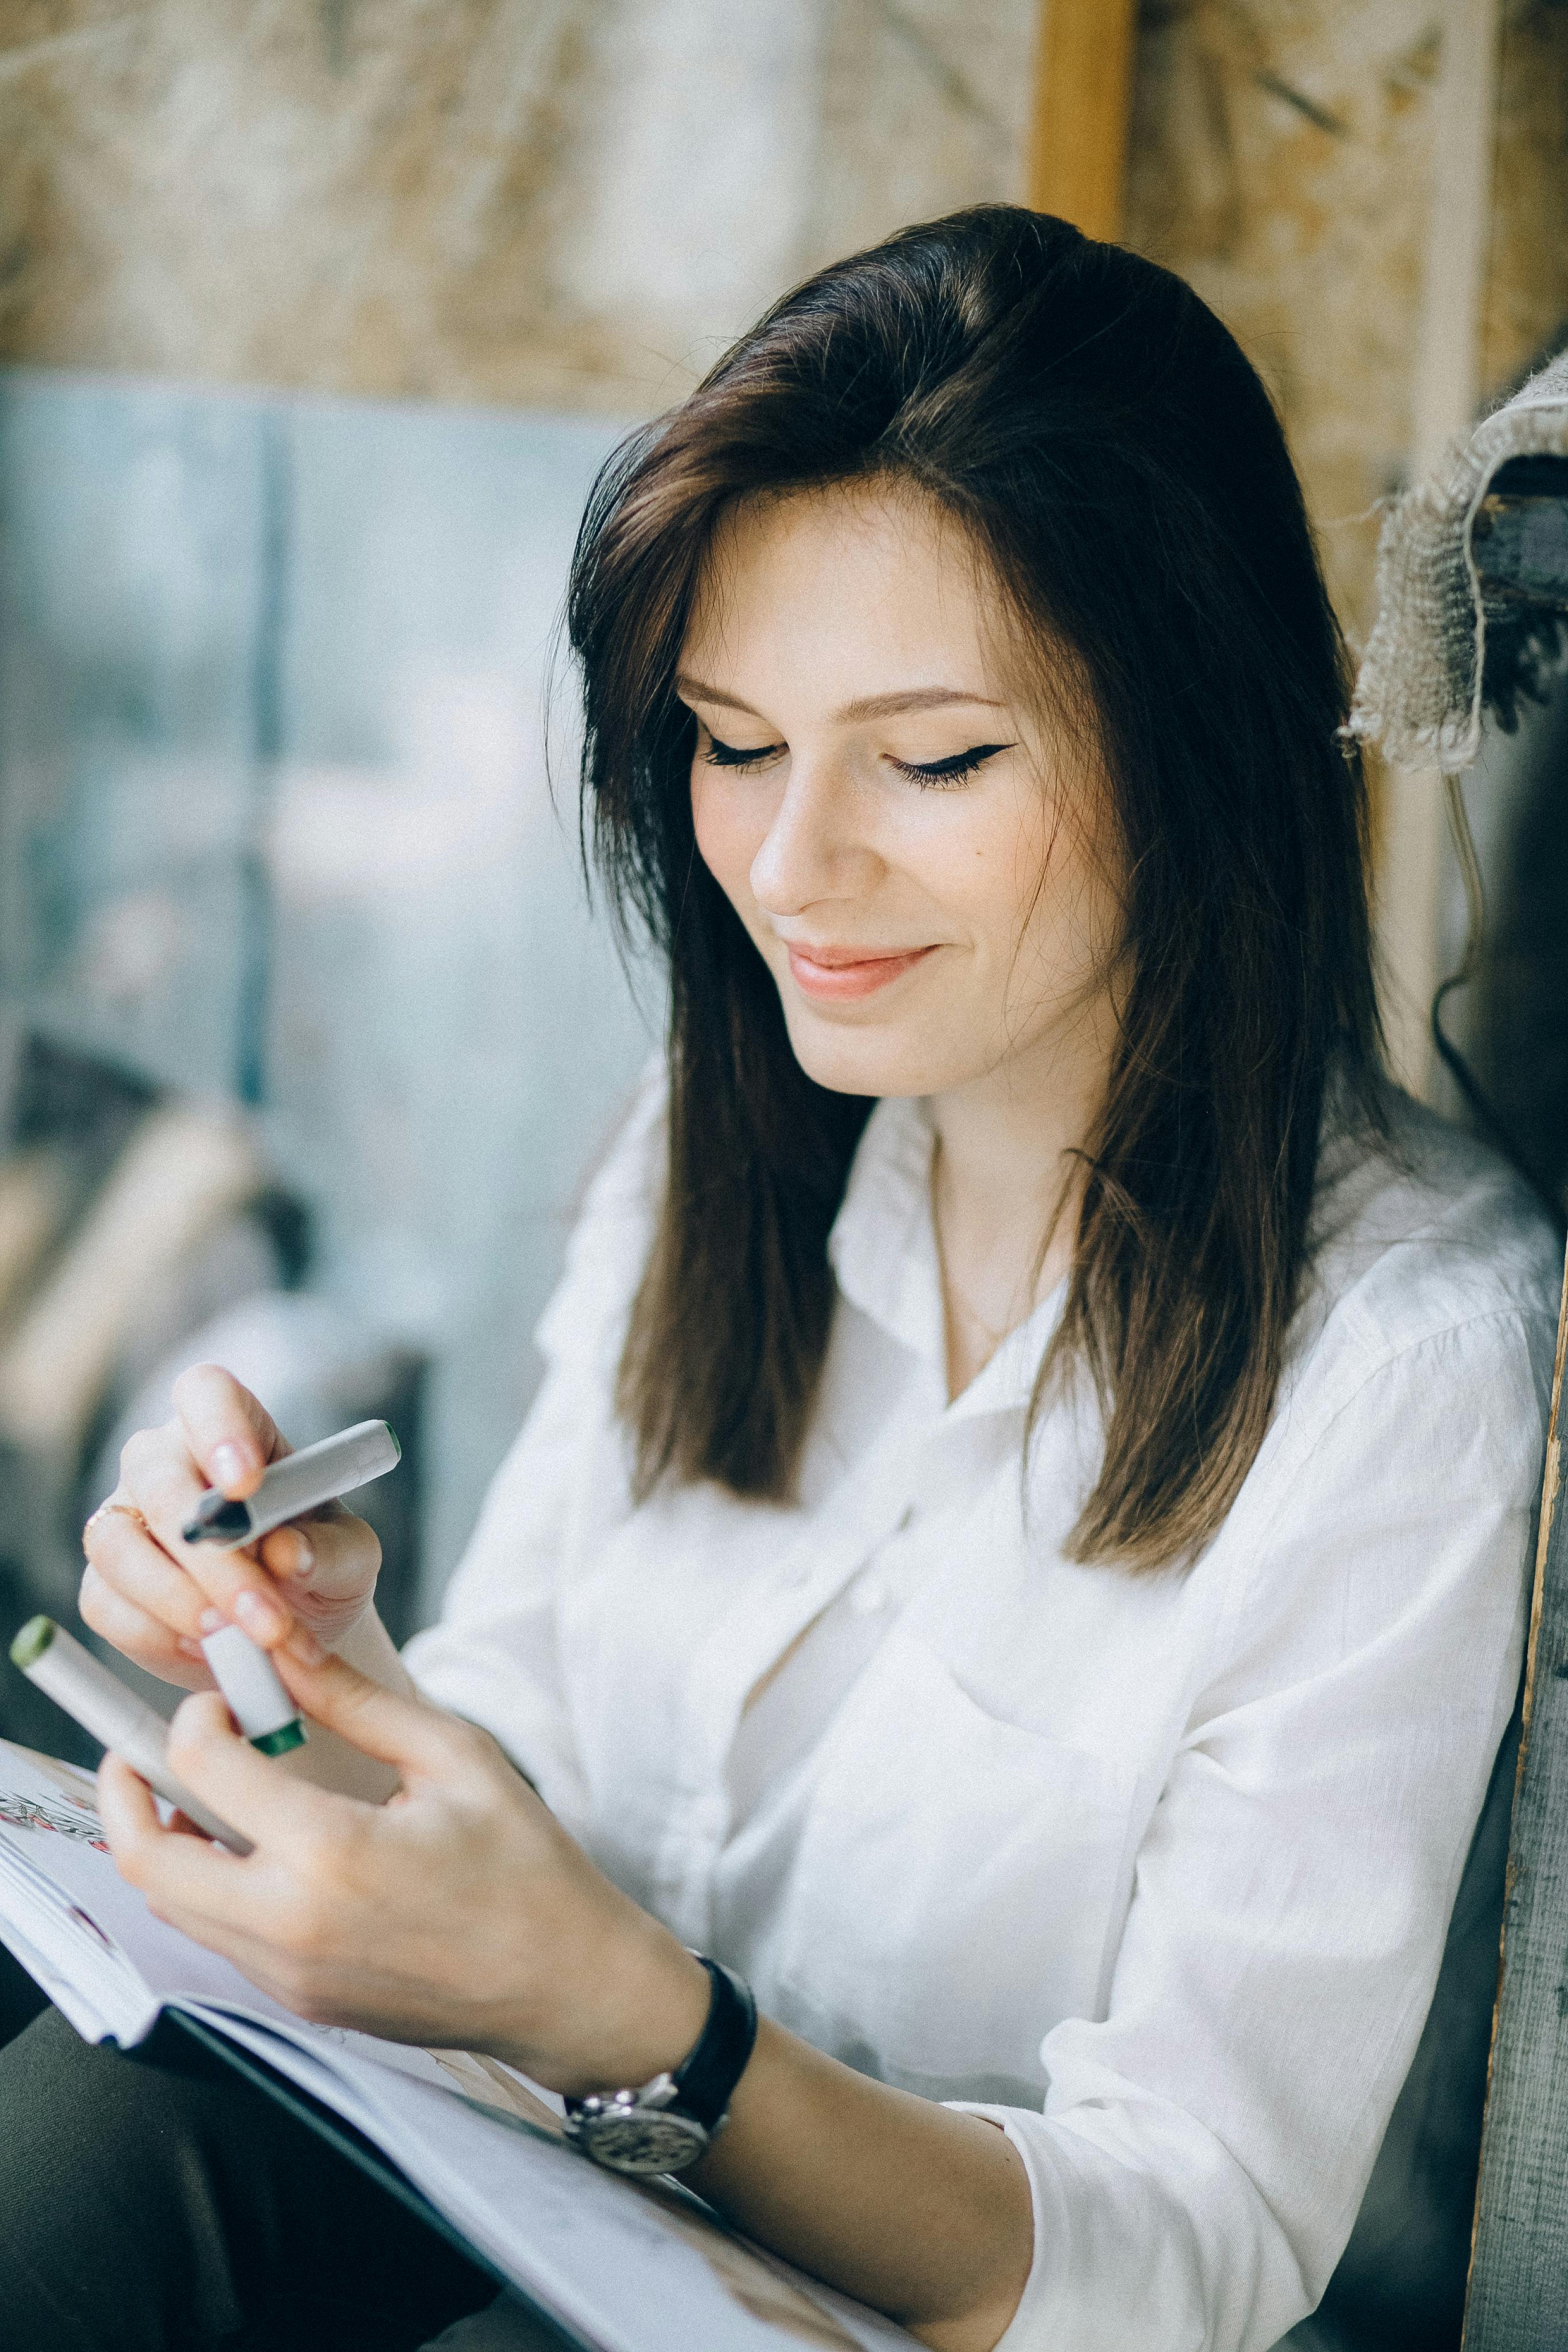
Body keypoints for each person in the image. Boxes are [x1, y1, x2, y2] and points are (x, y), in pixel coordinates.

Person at [0, 205, 1558, 2352]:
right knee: (81, 2167)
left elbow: (1188, 2251)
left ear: (1196, 740)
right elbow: (543, 1729)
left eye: (932, 761)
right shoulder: (723, 1134)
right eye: (734, 743)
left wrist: (656, 2029)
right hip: (524, 2163)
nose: (793, 869)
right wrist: (327, 1673)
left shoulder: (1412, 1361)